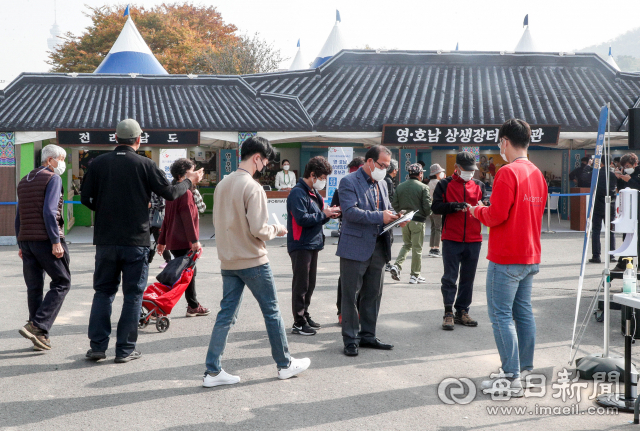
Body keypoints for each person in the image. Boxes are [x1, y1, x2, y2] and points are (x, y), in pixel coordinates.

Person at [81, 119, 203, 363]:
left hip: (105, 240)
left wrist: (104, 210)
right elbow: (169, 193)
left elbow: (86, 198)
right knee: (133, 295)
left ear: (115, 139)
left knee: (103, 292)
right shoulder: (146, 164)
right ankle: (125, 350)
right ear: (139, 140)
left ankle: (97, 347)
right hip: (136, 240)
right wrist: (189, 181)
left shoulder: (99, 164)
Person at [203, 136, 310, 388]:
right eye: (265, 162)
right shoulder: (253, 187)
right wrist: (278, 229)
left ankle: (212, 370)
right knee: (271, 312)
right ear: (257, 158)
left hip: (228, 260)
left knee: (226, 316)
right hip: (253, 260)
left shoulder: (222, 185)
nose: (265, 167)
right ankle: (284, 365)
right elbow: (260, 230)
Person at [469, 119, 547, 396]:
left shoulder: (507, 172)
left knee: (501, 316)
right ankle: (523, 370)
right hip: (530, 253)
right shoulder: (537, 173)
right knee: (523, 312)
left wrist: (477, 211)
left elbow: (497, 214)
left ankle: (511, 376)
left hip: (506, 256)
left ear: (504, 141)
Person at [337, 145, 404, 357]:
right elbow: (349, 212)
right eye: (382, 165)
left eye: (387, 166)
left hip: (378, 245)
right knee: (351, 295)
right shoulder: (348, 182)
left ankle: (368, 335)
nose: (385, 169)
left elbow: (387, 208)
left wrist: (397, 217)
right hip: (355, 246)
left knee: (373, 294)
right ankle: (350, 339)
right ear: (369, 162)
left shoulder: (383, 183)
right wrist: (380, 217)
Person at [15, 144, 70, 351]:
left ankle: (39, 336)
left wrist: (21, 243)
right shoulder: (52, 178)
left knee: (34, 287)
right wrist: (56, 241)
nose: (62, 163)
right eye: (61, 159)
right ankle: (38, 325)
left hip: (28, 241)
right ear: (50, 160)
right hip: (46, 240)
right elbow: (49, 212)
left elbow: (19, 215)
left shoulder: (23, 181)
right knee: (62, 281)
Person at [432, 152, 486, 331]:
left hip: (474, 238)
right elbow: (436, 207)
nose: (470, 173)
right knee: (450, 277)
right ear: (457, 168)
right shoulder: (444, 184)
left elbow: (485, 206)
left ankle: (462, 310)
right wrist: (455, 206)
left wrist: (484, 206)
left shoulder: (479, 185)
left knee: (468, 278)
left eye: (472, 170)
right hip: (451, 238)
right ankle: (448, 311)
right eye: (466, 170)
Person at [287, 156, 340, 336]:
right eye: (323, 177)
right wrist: (324, 214)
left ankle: (305, 314)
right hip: (301, 244)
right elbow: (302, 219)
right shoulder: (297, 193)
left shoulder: (312, 193)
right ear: (312, 174)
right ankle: (298, 322)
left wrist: (328, 214)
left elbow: (317, 216)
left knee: (310, 284)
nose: (324, 181)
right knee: (301, 285)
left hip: (313, 243)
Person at [157, 158, 210, 318]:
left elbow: (166, 219)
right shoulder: (185, 193)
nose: (195, 174)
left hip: (175, 241)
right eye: (192, 171)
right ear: (183, 175)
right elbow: (187, 219)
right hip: (184, 241)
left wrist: (162, 241)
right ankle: (163, 305)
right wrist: (194, 241)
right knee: (183, 275)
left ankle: (192, 305)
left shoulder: (173, 191)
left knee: (186, 273)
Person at [333, 157, 365, 325]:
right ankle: (342, 311)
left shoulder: (371, 185)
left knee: (363, 279)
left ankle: (359, 310)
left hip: (367, 238)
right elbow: (336, 207)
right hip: (348, 236)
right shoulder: (345, 185)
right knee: (346, 279)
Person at [389, 163, 432, 284]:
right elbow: (427, 206)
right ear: (420, 174)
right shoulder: (423, 187)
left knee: (407, 244)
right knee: (417, 248)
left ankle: (397, 265)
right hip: (418, 220)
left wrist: (400, 214)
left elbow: (395, 204)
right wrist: (427, 213)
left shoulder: (400, 186)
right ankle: (415, 275)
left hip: (404, 220)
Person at [613, 153, 640, 271]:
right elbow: (621, 190)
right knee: (627, 238)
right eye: (624, 166)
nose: (626, 168)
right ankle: (624, 264)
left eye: (628, 165)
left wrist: (631, 180)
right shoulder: (625, 174)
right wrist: (619, 179)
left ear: (635, 164)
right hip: (629, 212)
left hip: (638, 210)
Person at [589, 160, 616, 264]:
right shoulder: (614, 173)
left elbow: (584, 177)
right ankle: (612, 255)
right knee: (611, 231)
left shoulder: (596, 173)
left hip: (597, 206)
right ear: (611, 162)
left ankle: (596, 256)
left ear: (601, 163)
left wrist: (590, 166)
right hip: (610, 205)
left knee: (596, 231)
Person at [149, 192, 172, 269]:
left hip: (156, 220)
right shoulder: (145, 188)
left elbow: (163, 204)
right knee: (141, 239)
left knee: (160, 241)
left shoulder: (158, 190)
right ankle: (145, 258)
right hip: (147, 219)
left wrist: (151, 205)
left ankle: (168, 260)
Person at [384, 159, 399, 272]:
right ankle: (386, 262)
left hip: (386, 213)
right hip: (388, 214)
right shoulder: (388, 181)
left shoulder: (385, 179)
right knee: (389, 238)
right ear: (394, 170)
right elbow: (389, 199)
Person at [428, 164, 445, 258]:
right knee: (438, 228)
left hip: (431, 207)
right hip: (437, 208)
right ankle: (436, 248)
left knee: (433, 228)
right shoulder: (438, 183)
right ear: (437, 173)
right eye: (441, 172)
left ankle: (432, 247)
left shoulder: (430, 182)